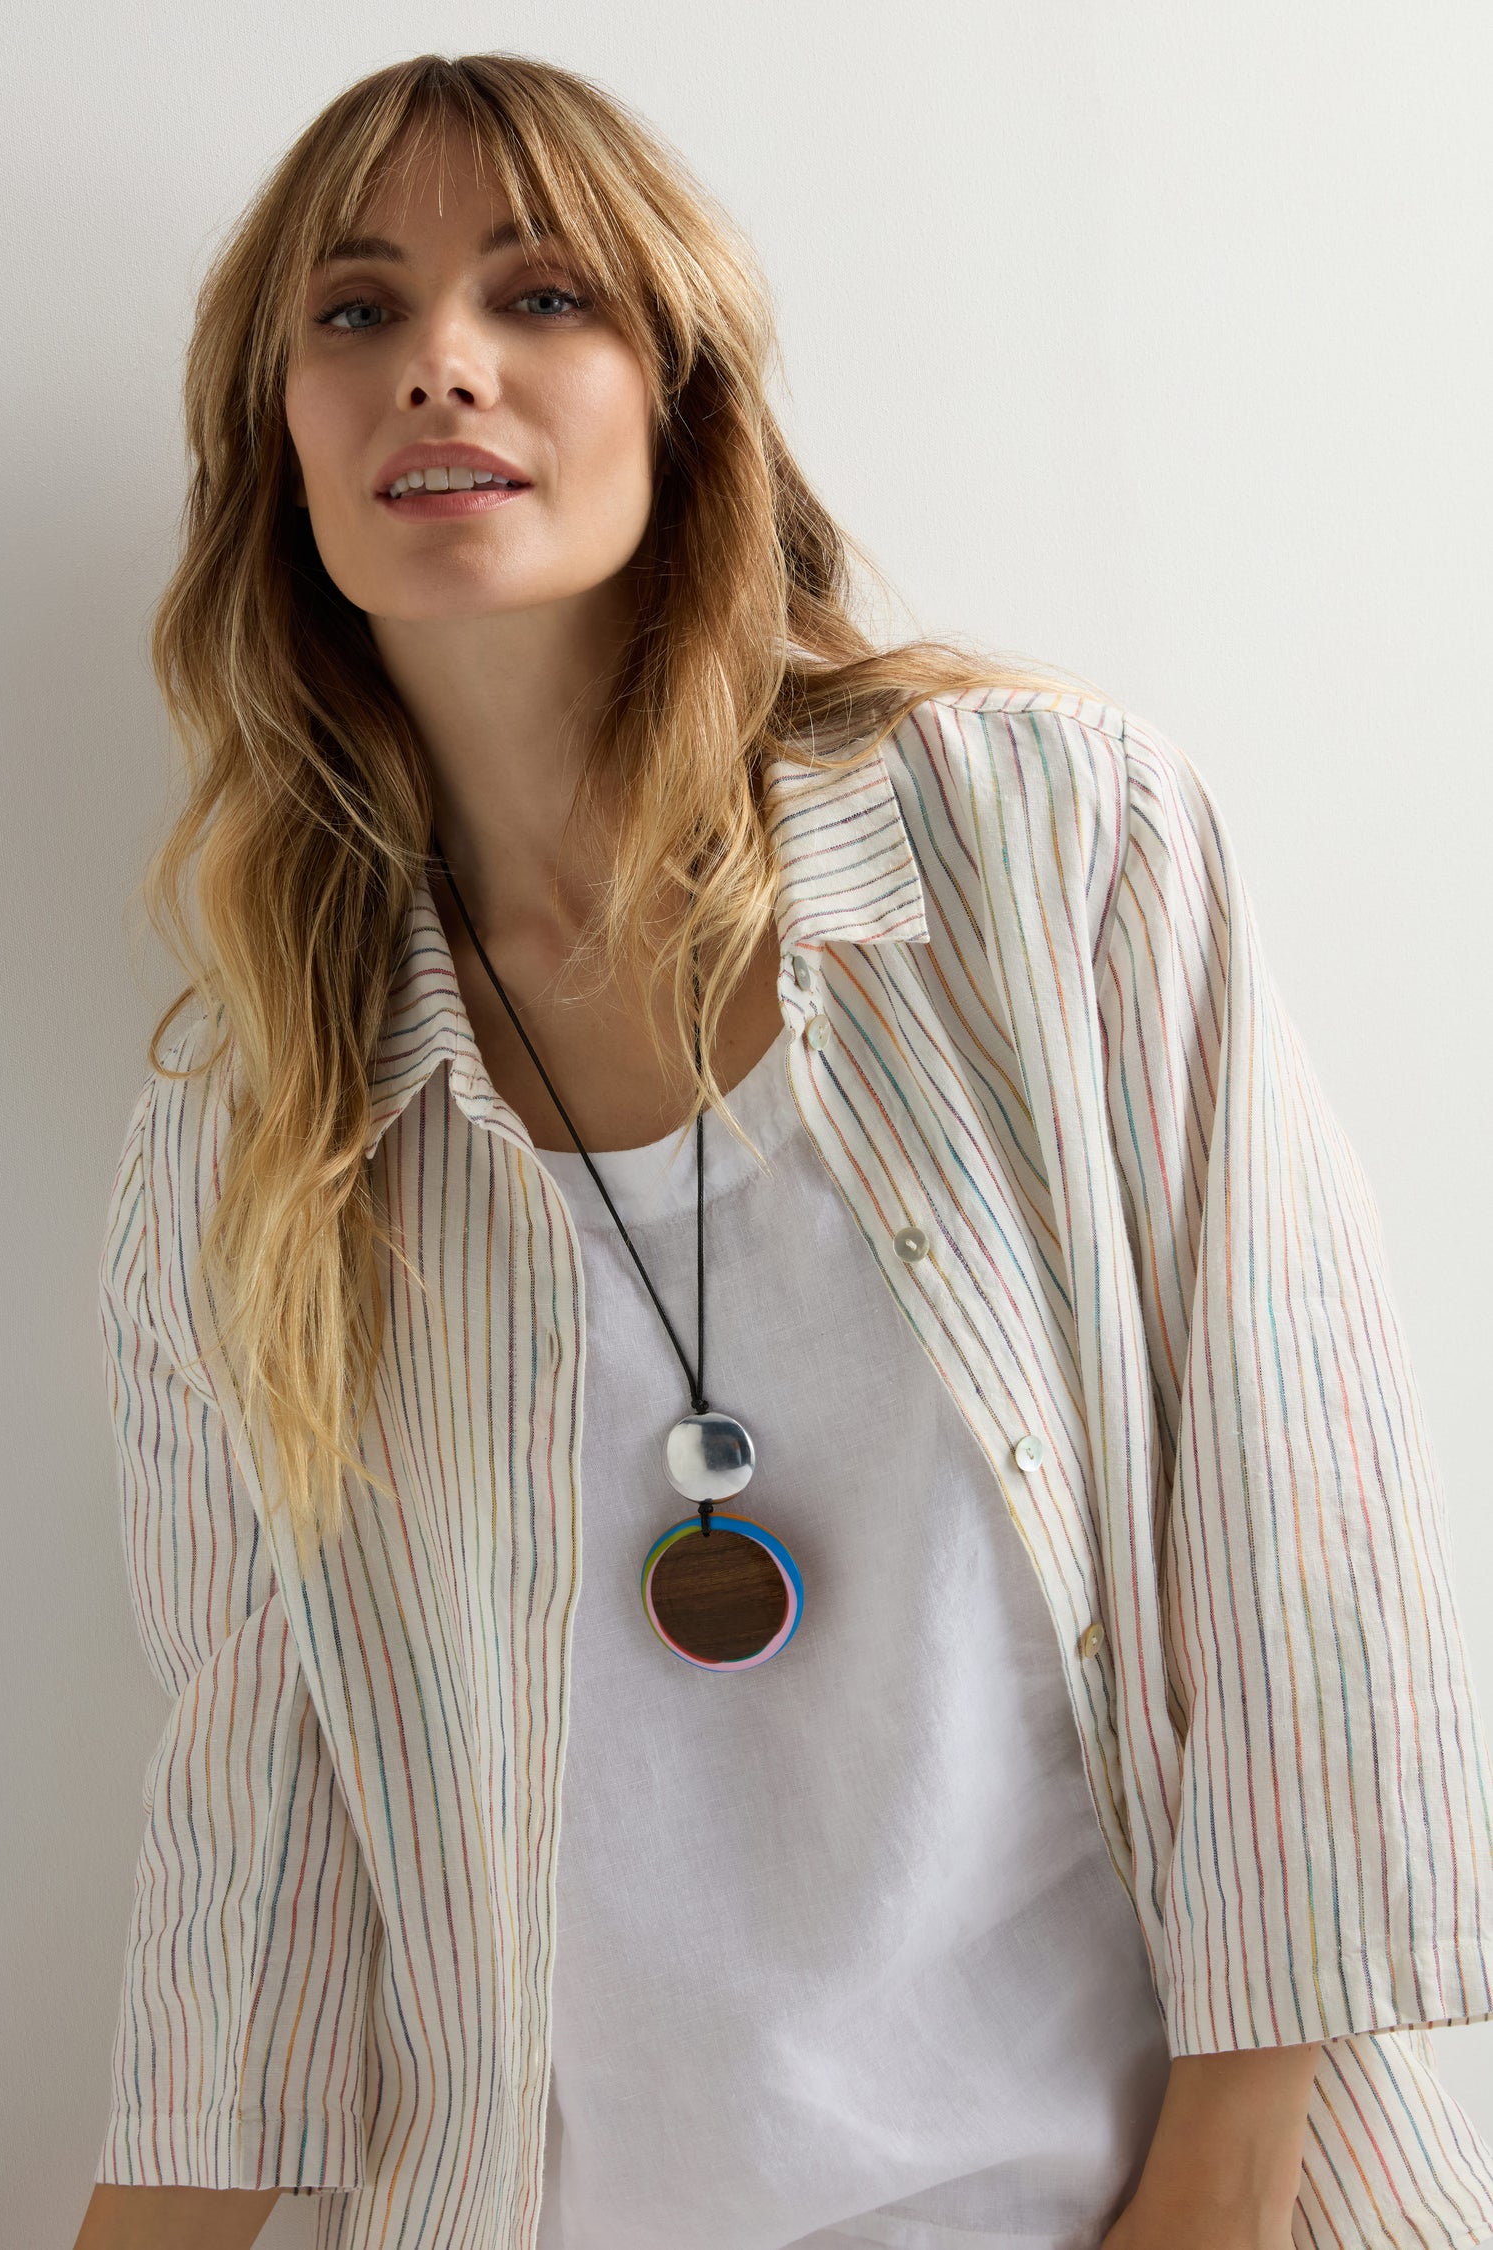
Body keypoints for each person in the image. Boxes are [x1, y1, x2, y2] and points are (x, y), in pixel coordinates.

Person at [73, 49, 1493, 2250]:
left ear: (686, 398)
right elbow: (254, 1878)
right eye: (351, 315)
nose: (440, 359)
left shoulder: (1042, 848)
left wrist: (1215, 2202)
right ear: (280, 450)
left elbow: (1304, 1555)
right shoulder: (254, 1145)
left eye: (540, 295)